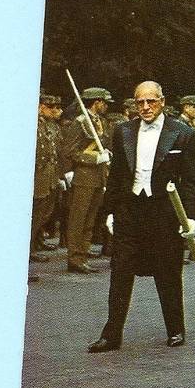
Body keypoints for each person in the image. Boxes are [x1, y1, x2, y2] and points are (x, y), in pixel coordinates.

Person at [88, 81, 195, 352]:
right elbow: (116, 176)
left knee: (168, 272)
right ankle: (111, 334)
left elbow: (191, 181)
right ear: (135, 104)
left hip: (164, 212)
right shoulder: (123, 130)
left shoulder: (183, 133)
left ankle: (175, 329)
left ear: (162, 101)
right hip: (130, 210)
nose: (146, 107)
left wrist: (190, 217)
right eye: (140, 102)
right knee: (120, 272)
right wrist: (111, 212)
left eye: (151, 101)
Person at [60, 86, 114, 274]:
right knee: (78, 219)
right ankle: (74, 258)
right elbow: (70, 151)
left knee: (90, 219)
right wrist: (94, 158)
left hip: (99, 177)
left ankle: (82, 253)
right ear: (96, 102)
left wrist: (106, 154)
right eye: (104, 102)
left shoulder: (102, 122)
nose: (106, 106)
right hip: (84, 177)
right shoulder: (80, 123)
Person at [29, 93, 65, 280]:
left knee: (41, 216)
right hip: (37, 177)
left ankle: (30, 250)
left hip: (48, 177)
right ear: (41, 107)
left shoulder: (49, 126)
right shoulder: (32, 124)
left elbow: (55, 153)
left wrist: (59, 175)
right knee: (31, 219)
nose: (56, 111)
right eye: (51, 107)